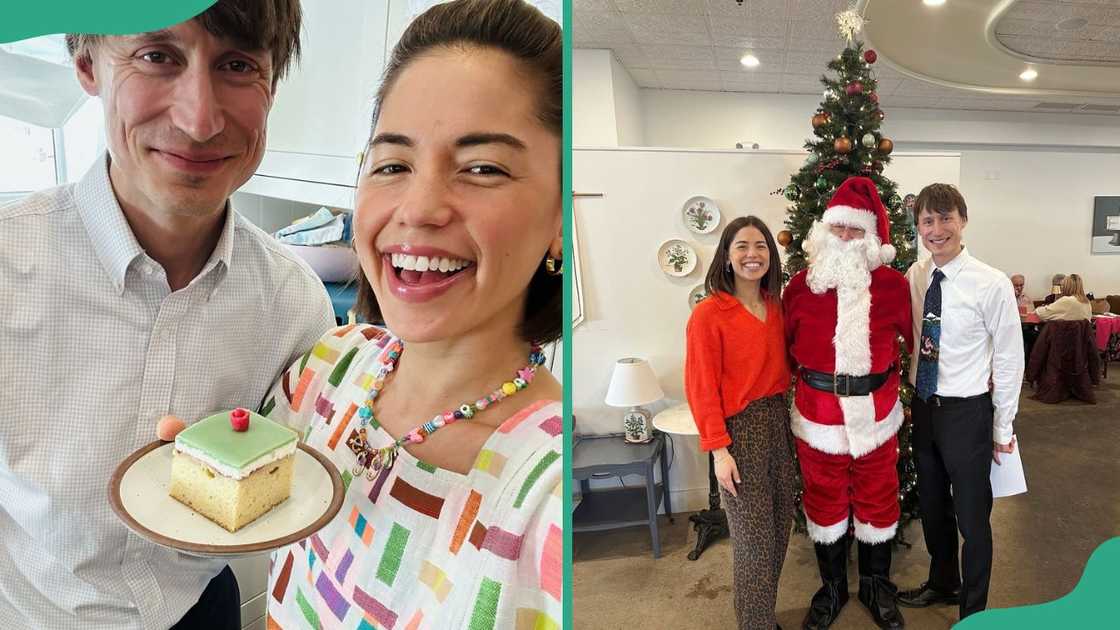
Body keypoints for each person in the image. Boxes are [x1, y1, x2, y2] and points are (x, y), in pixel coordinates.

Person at [0, 3, 336, 629]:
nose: (199, 119)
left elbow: (311, 485)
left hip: (202, 608)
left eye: (238, 65)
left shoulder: (296, 305)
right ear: (86, 63)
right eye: (158, 56)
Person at [254, 1, 563, 626]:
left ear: (561, 221)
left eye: (482, 168)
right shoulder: (324, 370)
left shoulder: (546, 491)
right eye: (393, 164)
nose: (419, 209)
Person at [783, 177, 912, 630]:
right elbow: (784, 348)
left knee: (879, 500)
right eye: (838, 227)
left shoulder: (894, 285)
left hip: (877, 413)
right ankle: (833, 588)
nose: (844, 236)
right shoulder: (801, 286)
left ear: (871, 237)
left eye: (855, 229)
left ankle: (877, 587)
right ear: (824, 230)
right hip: (817, 415)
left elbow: (915, 342)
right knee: (823, 502)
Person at [899, 184, 1023, 621]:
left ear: (963, 220)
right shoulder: (916, 276)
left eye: (945, 218)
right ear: (919, 227)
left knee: (972, 519)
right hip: (924, 407)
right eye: (927, 221)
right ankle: (942, 583)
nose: (937, 229)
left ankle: (973, 612)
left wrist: (1003, 426)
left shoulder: (991, 283)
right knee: (933, 508)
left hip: (967, 413)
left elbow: (1009, 357)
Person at [685, 215, 795, 630]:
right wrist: (719, 451)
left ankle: (761, 617)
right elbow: (701, 387)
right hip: (739, 432)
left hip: (778, 423)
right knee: (753, 543)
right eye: (742, 246)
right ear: (727, 257)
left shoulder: (776, 306)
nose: (753, 254)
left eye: (761, 245)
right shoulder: (709, 314)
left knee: (779, 530)